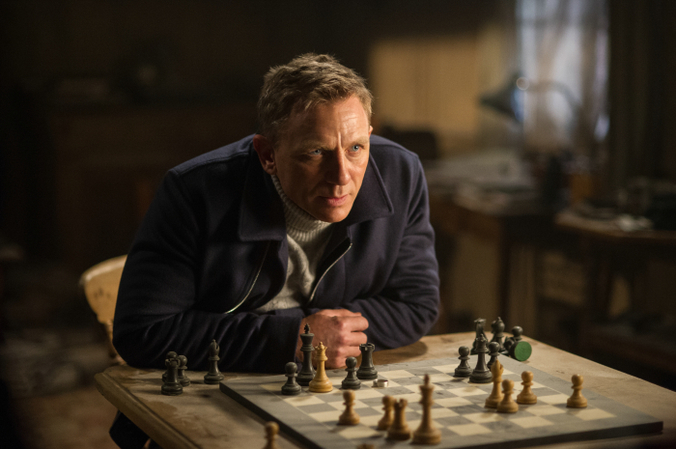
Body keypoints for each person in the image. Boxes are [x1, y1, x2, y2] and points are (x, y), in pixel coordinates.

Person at [113, 54, 439, 373]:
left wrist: (325, 335)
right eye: (316, 152)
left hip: (333, 378)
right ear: (267, 154)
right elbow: (142, 332)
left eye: (356, 148)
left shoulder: (401, 173)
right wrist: (292, 337)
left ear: (369, 136)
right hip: (217, 385)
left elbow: (416, 306)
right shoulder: (193, 192)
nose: (341, 176)